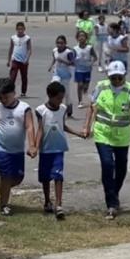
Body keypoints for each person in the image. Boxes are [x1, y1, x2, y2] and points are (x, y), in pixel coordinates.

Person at [81, 61, 130, 219]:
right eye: (113, 78)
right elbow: (92, 107)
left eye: (119, 78)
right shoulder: (101, 87)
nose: (115, 81)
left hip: (122, 136)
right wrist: (86, 126)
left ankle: (114, 193)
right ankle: (111, 204)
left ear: (124, 76)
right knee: (108, 165)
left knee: (121, 168)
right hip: (103, 134)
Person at [0, 78, 36, 216]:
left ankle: (4, 187)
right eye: (0, 97)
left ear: (14, 93)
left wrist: (32, 145)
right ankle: (4, 205)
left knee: (18, 177)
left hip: (17, 149)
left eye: (6, 97)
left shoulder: (24, 108)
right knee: (6, 175)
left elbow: (29, 127)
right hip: (0, 148)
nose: (3, 100)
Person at [35, 81, 83, 220]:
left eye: (61, 98)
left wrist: (77, 133)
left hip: (58, 148)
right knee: (45, 177)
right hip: (46, 149)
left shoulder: (62, 109)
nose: (59, 101)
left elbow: (63, 126)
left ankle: (59, 204)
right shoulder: (41, 110)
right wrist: (34, 147)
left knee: (58, 176)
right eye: (57, 98)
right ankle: (47, 201)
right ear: (49, 95)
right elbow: (40, 130)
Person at [48, 34, 75, 118]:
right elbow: (54, 59)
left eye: (61, 43)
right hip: (57, 73)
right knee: (54, 85)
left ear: (65, 43)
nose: (59, 45)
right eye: (58, 43)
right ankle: (53, 103)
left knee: (66, 92)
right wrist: (51, 65)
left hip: (66, 74)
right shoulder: (55, 50)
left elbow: (72, 62)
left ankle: (69, 105)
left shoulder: (68, 52)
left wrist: (63, 61)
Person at [7, 22, 32, 97]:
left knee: (24, 76)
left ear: (24, 29)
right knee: (12, 76)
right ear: (16, 29)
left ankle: (23, 92)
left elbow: (29, 49)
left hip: (24, 60)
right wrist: (9, 60)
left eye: (22, 29)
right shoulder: (13, 38)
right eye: (18, 29)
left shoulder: (27, 38)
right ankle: (11, 90)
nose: (20, 30)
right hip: (15, 59)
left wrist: (27, 58)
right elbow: (11, 48)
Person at [73, 31, 97, 109]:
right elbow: (72, 58)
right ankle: (80, 101)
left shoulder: (89, 47)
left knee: (85, 87)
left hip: (87, 70)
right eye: (80, 36)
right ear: (77, 38)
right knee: (79, 85)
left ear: (86, 38)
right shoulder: (75, 48)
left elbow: (95, 57)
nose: (81, 37)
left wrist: (91, 63)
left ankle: (86, 93)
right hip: (78, 70)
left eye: (83, 36)